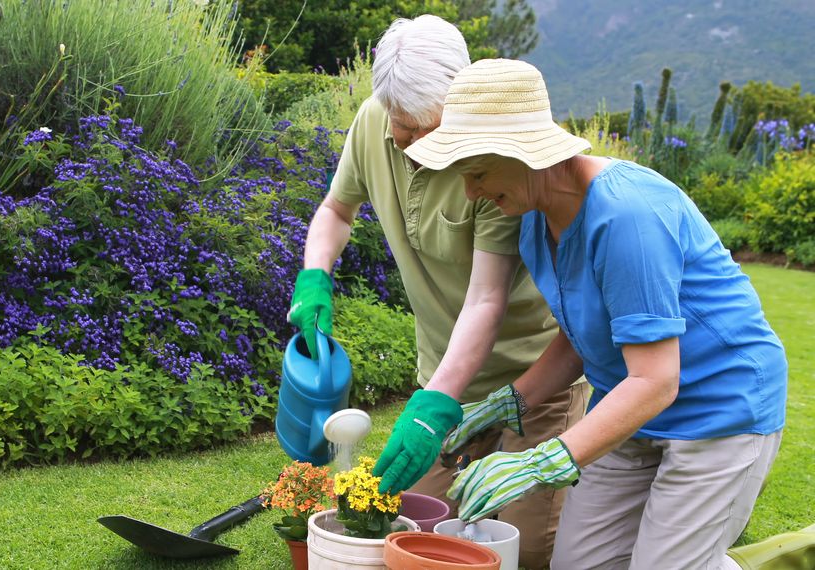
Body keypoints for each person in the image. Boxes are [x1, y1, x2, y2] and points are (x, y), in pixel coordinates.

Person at [404, 58, 788, 569]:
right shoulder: (532, 217)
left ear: (523, 154)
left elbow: (655, 380)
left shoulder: (627, 215)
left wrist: (542, 462)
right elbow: (584, 335)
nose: (471, 192)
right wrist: (507, 403)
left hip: (718, 413)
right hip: (627, 414)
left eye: (476, 173)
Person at [286, 16, 587, 568]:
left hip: (534, 379)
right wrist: (314, 276)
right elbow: (336, 209)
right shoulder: (373, 122)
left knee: (525, 550)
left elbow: (486, 298)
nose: (425, 144)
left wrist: (432, 406)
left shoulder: (491, 160)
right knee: (414, 532)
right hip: (444, 376)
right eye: (408, 127)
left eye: (437, 129)